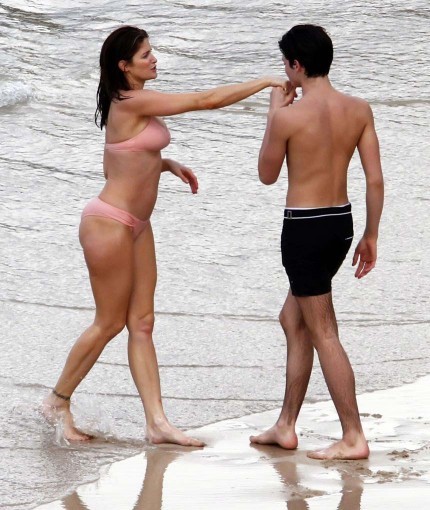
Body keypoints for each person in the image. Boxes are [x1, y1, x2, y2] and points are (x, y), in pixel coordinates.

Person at [42, 25, 285, 446]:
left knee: (142, 323)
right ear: (125, 66)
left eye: (152, 52)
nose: (154, 59)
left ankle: (157, 424)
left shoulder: (130, 103)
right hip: (109, 223)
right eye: (145, 55)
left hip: (137, 225)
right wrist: (265, 81)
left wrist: (161, 163)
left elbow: (111, 164)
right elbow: (204, 101)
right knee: (109, 322)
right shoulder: (131, 101)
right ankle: (57, 401)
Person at [250, 24, 384, 460]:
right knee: (293, 320)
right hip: (340, 225)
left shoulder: (288, 117)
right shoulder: (358, 109)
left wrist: (274, 114)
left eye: (285, 63)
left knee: (324, 331)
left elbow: (267, 175)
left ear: (296, 64)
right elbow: (375, 179)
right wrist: (370, 234)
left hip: (304, 229)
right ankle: (285, 425)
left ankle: (353, 436)